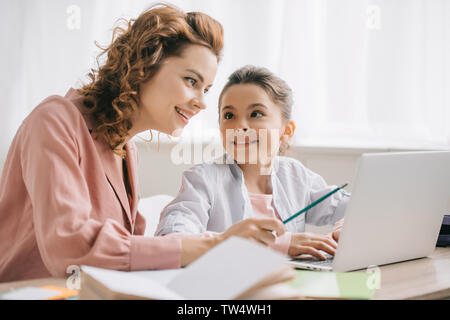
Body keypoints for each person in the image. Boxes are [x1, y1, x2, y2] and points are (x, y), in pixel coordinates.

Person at [0, 5, 285, 282]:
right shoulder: (55, 120)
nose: (201, 103)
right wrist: (212, 245)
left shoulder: (128, 151)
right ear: (145, 64)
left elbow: (123, 253)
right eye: (190, 81)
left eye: (206, 89)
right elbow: (70, 247)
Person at [156, 65, 350, 260]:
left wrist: (345, 227)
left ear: (286, 131)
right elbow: (172, 239)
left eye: (256, 114)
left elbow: (351, 207)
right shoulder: (202, 180)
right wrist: (280, 243)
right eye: (229, 115)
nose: (240, 126)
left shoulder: (295, 176)